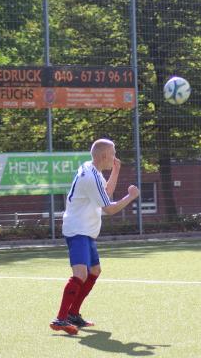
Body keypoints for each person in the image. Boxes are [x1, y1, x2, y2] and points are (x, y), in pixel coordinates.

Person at [50, 138, 140, 335]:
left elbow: (106, 192)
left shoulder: (92, 169)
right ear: (103, 156)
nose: (115, 157)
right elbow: (109, 209)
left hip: (86, 230)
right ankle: (61, 318)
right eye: (113, 153)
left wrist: (115, 171)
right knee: (80, 274)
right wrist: (130, 197)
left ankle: (73, 313)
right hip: (78, 230)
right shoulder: (90, 177)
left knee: (95, 271)